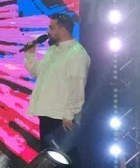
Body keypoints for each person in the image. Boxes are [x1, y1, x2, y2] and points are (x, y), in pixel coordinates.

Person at [23, 13, 90, 155]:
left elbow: (77, 86)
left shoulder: (77, 54)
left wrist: (69, 114)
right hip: (47, 113)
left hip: (61, 117)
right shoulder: (53, 50)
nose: (48, 31)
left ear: (63, 30)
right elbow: (39, 73)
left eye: (51, 28)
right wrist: (30, 56)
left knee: (63, 158)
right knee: (48, 159)